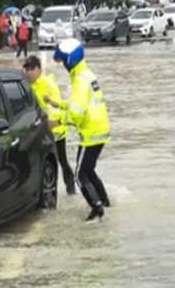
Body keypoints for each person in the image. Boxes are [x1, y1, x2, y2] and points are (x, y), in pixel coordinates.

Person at [45, 39, 111, 222]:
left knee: (79, 174)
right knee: (89, 170)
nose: (62, 65)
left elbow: (76, 115)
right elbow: (77, 105)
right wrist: (57, 103)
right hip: (100, 128)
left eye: (62, 61)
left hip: (91, 132)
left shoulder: (80, 81)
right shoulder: (85, 74)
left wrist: (56, 122)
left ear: (70, 60)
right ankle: (105, 201)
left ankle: (97, 209)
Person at [23, 56, 75, 195]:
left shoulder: (48, 84)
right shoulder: (29, 85)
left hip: (55, 129)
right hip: (40, 129)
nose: (28, 72)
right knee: (45, 162)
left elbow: (55, 107)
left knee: (62, 161)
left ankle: (71, 189)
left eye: (31, 69)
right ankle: (47, 191)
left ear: (39, 69)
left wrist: (52, 123)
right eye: (26, 69)